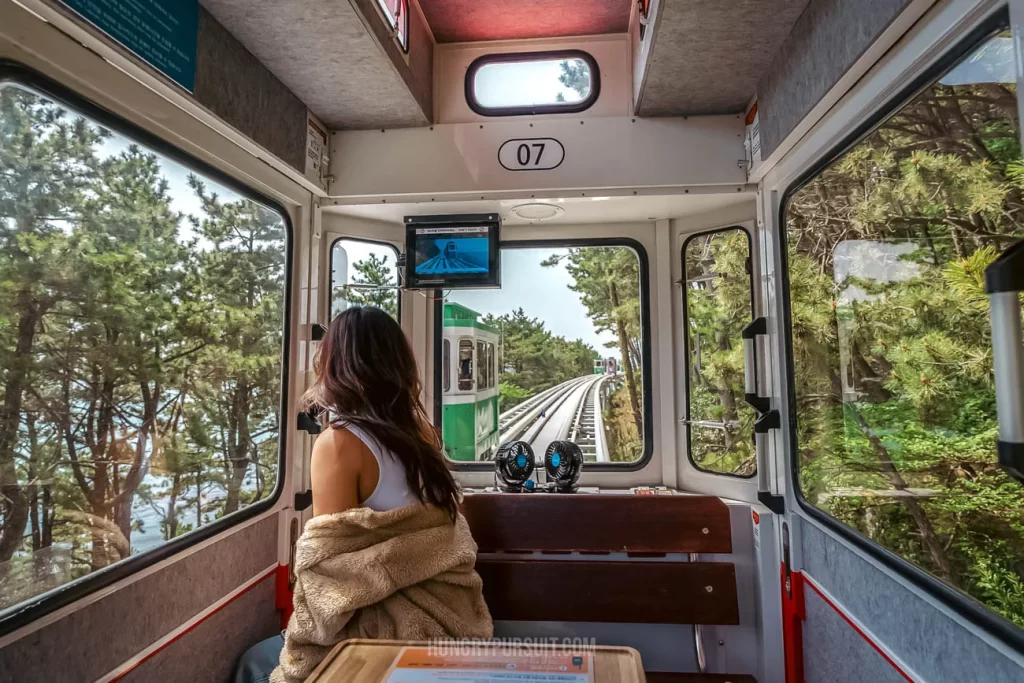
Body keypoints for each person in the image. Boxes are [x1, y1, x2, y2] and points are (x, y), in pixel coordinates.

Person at [234, 307, 492, 683]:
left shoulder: (339, 444)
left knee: (253, 663)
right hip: (450, 615)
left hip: (391, 626)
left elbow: (330, 567)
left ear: (336, 364)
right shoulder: (421, 432)